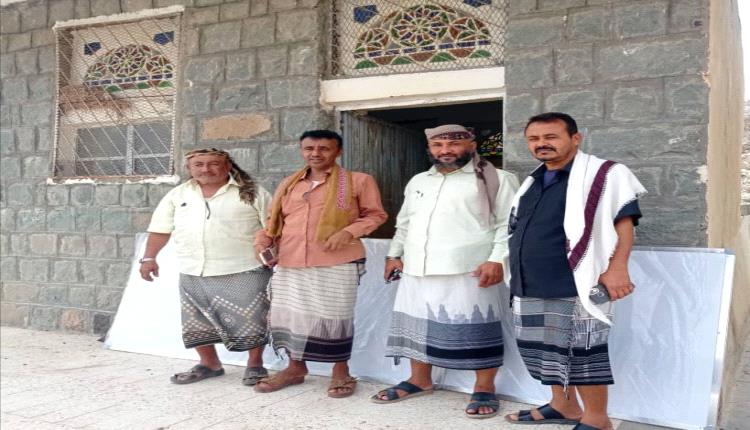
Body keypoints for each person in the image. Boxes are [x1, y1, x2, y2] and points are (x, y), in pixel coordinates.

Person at [504, 112, 646, 430]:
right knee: (545, 348)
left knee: (581, 350)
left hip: (576, 279)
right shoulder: (533, 181)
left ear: (575, 138)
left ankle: (597, 419)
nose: (541, 144)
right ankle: (563, 405)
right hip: (529, 279)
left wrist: (618, 267)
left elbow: (623, 222)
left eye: (550, 137)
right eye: (534, 139)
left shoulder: (605, 174)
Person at [371, 124, 520, 419]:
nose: (446, 151)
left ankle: (484, 387)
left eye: (454, 144)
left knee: (477, 328)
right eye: (438, 145)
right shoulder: (419, 180)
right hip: (417, 267)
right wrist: (393, 254)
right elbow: (405, 222)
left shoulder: (498, 178)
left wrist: (497, 260)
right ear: (429, 148)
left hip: (469, 268)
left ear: (472, 145)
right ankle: (420, 380)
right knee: (417, 325)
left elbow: (509, 224)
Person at [253, 129, 387, 398]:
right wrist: (263, 240)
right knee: (293, 316)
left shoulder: (357, 181)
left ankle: (341, 372)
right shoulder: (289, 183)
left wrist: (348, 232)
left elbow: (376, 215)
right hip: (290, 259)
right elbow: (273, 220)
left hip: (336, 260)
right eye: (309, 149)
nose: (315, 154)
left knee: (335, 317)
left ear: (338, 151)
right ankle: (295, 368)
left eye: (324, 149)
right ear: (302, 150)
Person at [140, 148, 273, 386]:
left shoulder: (252, 192)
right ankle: (210, 364)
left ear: (228, 166)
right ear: (189, 168)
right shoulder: (178, 194)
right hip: (194, 270)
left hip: (244, 269)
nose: (206, 169)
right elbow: (160, 229)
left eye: (213, 163)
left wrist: (275, 254)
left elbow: (273, 228)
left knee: (253, 320)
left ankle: (255, 365)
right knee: (197, 321)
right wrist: (149, 258)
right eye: (199, 164)